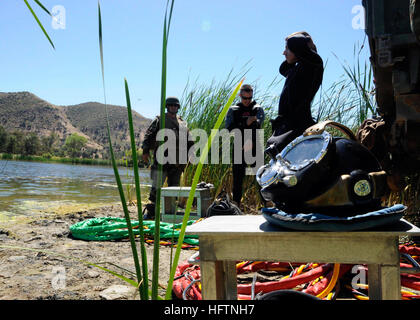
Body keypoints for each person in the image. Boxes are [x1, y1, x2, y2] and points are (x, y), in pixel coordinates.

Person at [266, 31, 324, 157]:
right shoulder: (296, 68)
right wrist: (293, 46)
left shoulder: (312, 66)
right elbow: (283, 69)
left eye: (287, 48)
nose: (283, 52)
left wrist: (295, 42)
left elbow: (311, 56)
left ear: (298, 49)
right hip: (288, 125)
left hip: (299, 125)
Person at [141, 96, 193, 220]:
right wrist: (145, 151)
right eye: (171, 105)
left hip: (177, 161)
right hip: (161, 159)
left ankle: (170, 213)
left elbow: (189, 140)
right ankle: (151, 213)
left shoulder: (182, 122)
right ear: (167, 106)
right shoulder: (159, 120)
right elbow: (149, 135)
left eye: (175, 106)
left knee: (173, 188)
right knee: (156, 187)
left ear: (178, 107)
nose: (173, 107)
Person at [225, 84, 265, 207]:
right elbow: (229, 129)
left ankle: (267, 203)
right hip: (238, 146)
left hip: (254, 145)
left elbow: (257, 125)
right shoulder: (233, 110)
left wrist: (250, 140)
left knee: (261, 175)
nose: (247, 101)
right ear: (240, 96)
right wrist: (245, 122)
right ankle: (236, 204)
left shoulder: (258, 108)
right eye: (244, 98)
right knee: (237, 176)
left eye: (249, 98)